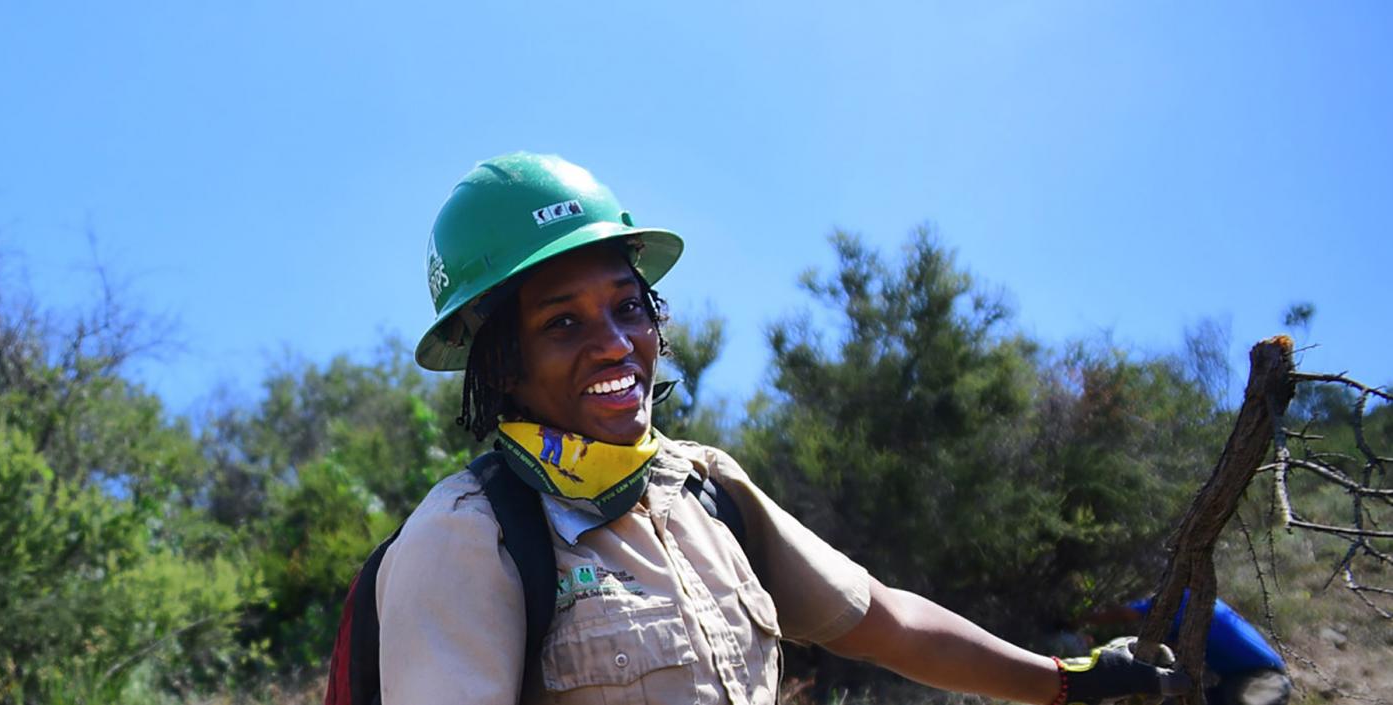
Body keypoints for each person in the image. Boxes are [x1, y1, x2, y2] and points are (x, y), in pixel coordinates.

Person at [375, 152, 1189, 704]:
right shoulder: (470, 536)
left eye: (629, 307)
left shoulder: (703, 489)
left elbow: (881, 620)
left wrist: (1064, 682)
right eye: (562, 323)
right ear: (502, 366)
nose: (617, 343)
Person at [1085, 594, 1291, 705]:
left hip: (1258, 680)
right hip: (1257, 678)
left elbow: (1126, 614)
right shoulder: (1209, 603)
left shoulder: (1182, 602)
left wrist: (1077, 621)